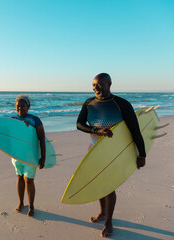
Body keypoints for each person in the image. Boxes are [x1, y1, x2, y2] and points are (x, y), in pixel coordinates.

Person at [76, 73, 146, 237]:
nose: (96, 88)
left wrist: (141, 154)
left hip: (114, 153)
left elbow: (135, 131)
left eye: (99, 85)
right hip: (93, 150)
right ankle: (102, 213)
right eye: (94, 85)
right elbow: (79, 124)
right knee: (98, 184)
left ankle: (108, 223)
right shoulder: (89, 103)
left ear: (109, 84)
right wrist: (96, 130)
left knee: (108, 186)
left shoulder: (121, 104)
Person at [11, 95, 46, 217]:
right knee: (19, 178)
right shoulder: (12, 120)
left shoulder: (35, 120)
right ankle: (21, 203)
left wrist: (43, 157)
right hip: (16, 157)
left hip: (30, 156)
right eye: (18, 106)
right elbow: (9, 139)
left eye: (23, 106)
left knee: (29, 180)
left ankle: (31, 206)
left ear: (28, 106)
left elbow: (41, 139)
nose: (20, 108)